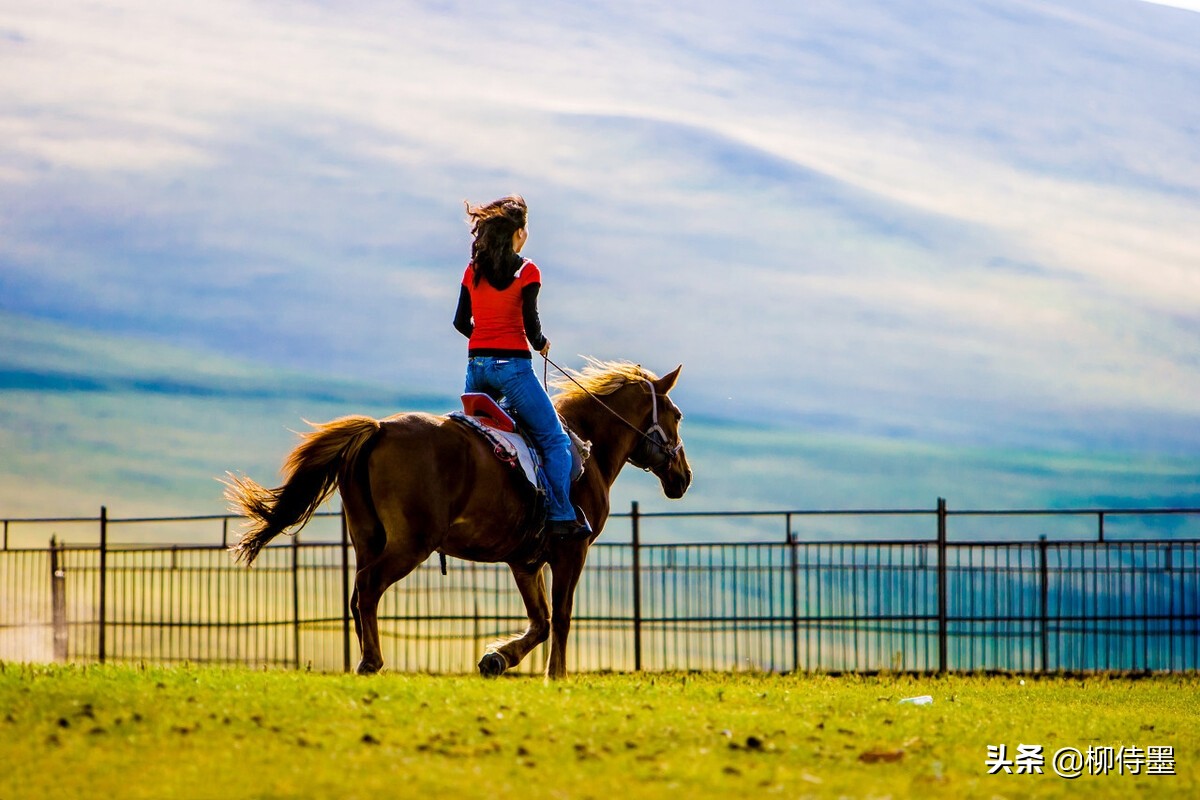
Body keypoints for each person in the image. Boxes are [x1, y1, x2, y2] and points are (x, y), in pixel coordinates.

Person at [452, 195, 589, 539]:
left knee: (474, 435)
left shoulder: (473, 271)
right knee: (555, 441)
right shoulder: (527, 271)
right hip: (512, 369)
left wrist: (482, 337)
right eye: (525, 226)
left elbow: (459, 322)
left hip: (476, 369)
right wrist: (541, 343)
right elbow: (531, 326)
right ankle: (559, 515)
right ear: (517, 232)